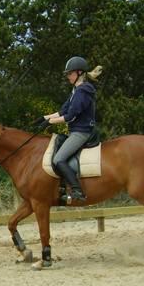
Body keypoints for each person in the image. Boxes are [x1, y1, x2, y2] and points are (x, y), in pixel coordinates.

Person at [38, 56, 101, 205]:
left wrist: (50, 123)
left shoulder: (83, 91)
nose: (67, 76)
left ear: (79, 73)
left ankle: (77, 191)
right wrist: (44, 118)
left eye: (69, 73)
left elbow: (70, 116)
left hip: (82, 132)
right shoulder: (76, 90)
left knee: (58, 159)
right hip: (75, 130)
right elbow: (63, 111)